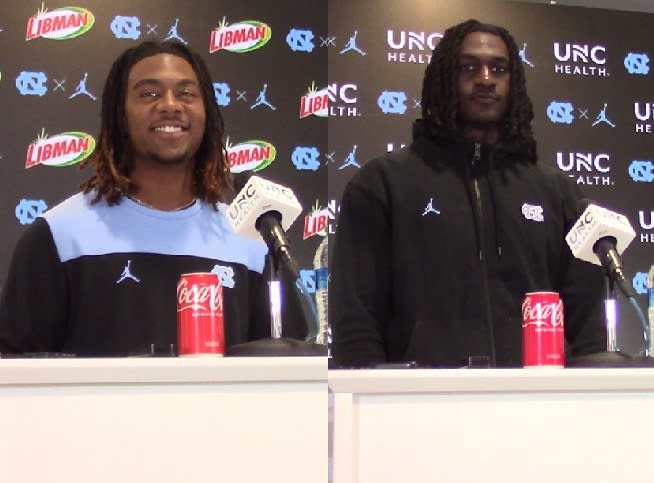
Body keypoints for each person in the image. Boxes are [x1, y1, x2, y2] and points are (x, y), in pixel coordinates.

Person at [330, 19, 607, 368]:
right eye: (469, 66)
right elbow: (356, 317)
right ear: (444, 77)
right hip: (417, 405)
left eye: (499, 68)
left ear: (514, 81)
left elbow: (588, 325)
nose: (486, 79)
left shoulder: (557, 191)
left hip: (537, 403)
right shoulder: (382, 183)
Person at [0, 40, 306, 355]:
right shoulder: (61, 236)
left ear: (208, 114)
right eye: (149, 94)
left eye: (187, 93)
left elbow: (284, 372)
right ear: (119, 113)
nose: (170, 105)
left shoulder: (250, 241)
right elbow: (15, 375)